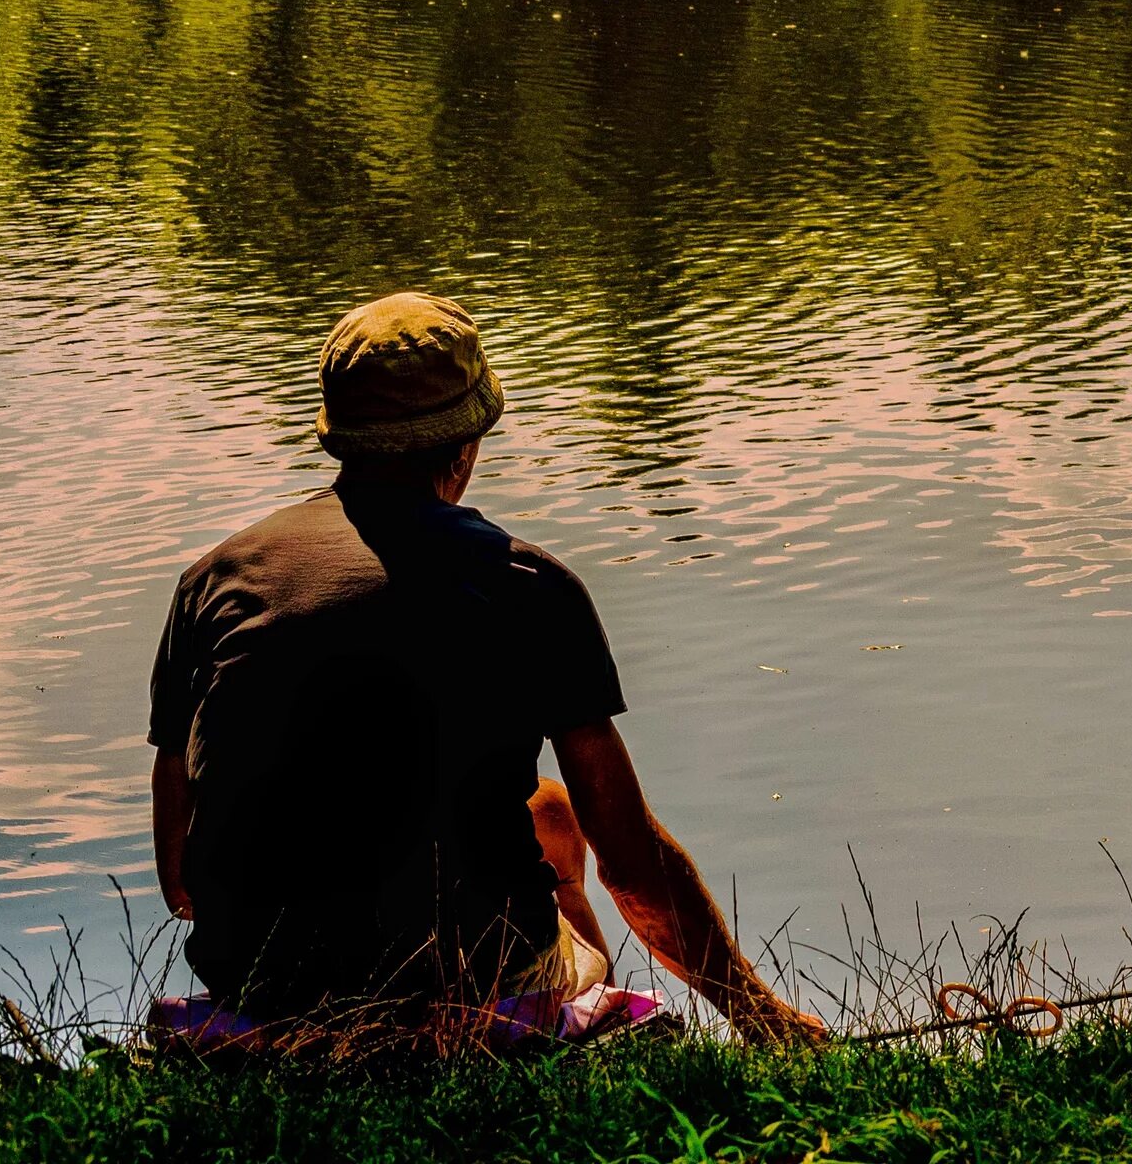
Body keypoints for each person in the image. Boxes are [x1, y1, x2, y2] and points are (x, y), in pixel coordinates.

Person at [147, 292, 823, 1043]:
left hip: (258, 989)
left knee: (546, 812)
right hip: (468, 985)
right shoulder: (527, 586)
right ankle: (560, 1027)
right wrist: (765, 1016)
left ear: (340, 437)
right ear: (466, 442)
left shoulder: (212, 581)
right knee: (564, 825)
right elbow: (631, 864)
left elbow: (180, 877)